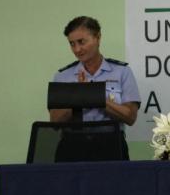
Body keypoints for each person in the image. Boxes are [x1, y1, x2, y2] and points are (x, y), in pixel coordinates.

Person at [51, 16, 141, 160]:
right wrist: (78, 96)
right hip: (72, 147)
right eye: (72, 44)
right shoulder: (63, 76)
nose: (77, 49)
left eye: (81, 42)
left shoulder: (122, 72)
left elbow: (130, 117)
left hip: (111, 146)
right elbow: (54, 122)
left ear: (97, 37)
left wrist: (94, 96)